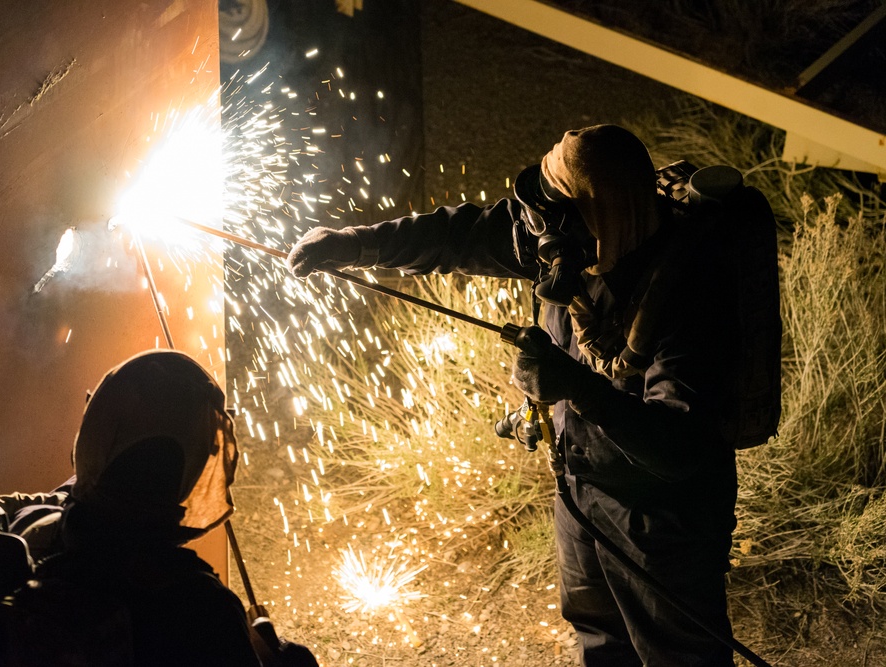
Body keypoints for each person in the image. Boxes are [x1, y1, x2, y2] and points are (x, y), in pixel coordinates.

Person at [287, 124, 759, 666]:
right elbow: (462, 235)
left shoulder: (691, 290)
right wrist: (358, 243)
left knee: (678, 655)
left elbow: (680, 445)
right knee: (600, 639)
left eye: (564, 213)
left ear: (604, 212)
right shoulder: (561, 237)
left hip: (662, 519)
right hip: (581, 489)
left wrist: (574, 387)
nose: (543, 234)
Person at [0, 350, 318, 667]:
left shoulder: (40, 537)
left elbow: (70, 499)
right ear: (200, 464)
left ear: (95, 437)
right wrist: (281, 658)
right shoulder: (201, 605)